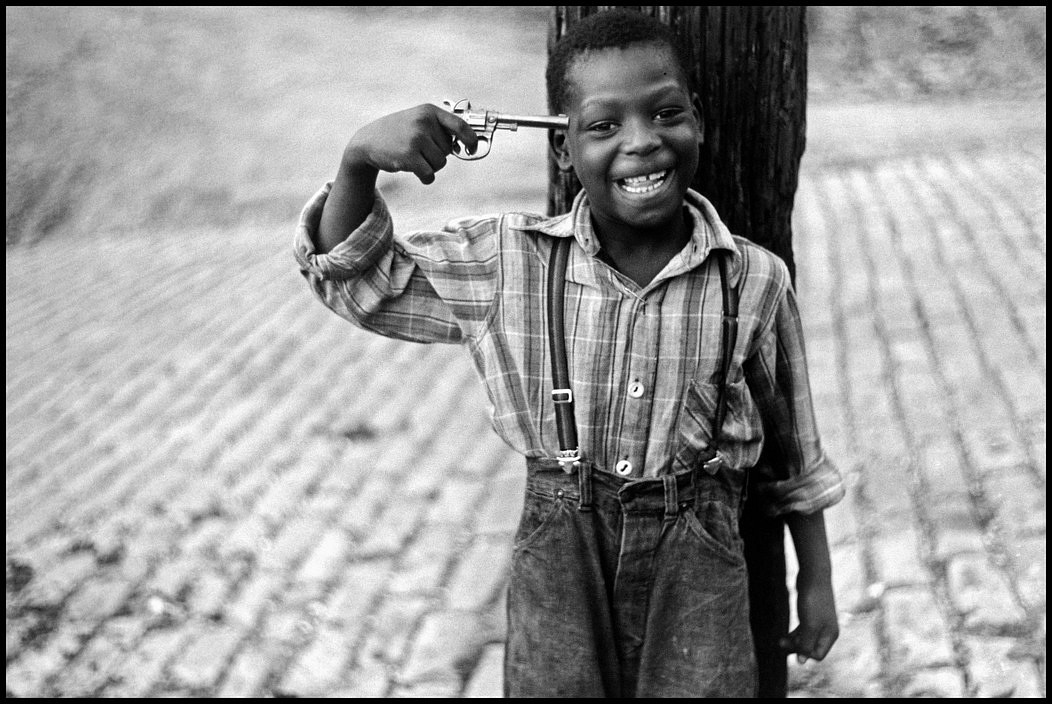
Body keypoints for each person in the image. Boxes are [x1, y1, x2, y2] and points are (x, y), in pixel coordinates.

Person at [294, 8, 844, 698]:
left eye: (664, 113)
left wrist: (815, 580)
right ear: (563, 150)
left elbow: (793, 453)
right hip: (560, 571)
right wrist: (358, 161)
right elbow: (359, 280)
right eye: (605, 125)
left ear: (697, 120)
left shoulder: (753, 279)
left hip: (700, 575)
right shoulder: (509, 263)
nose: (642, 142)